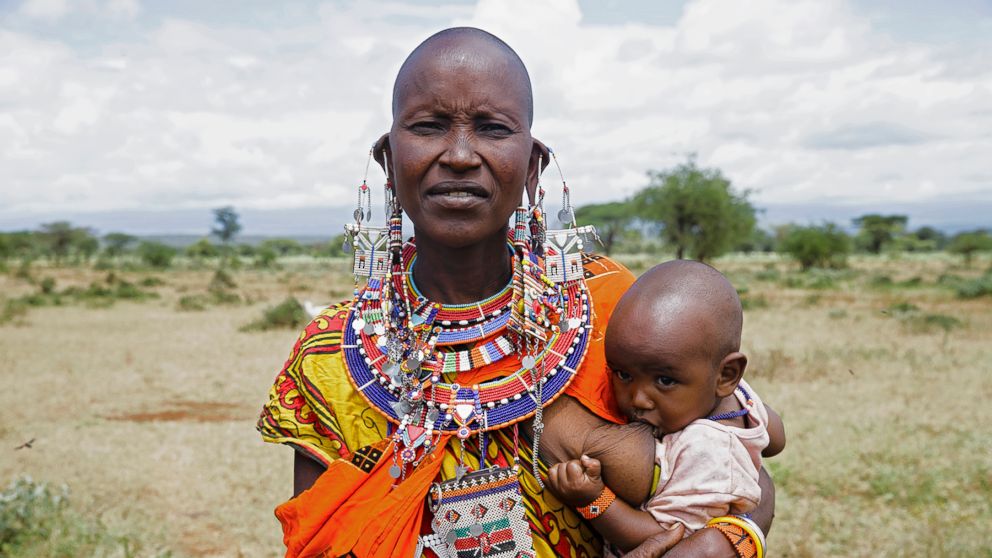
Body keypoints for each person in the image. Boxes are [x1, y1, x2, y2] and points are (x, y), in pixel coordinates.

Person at [257, 27, 774, 558]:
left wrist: (730, 543)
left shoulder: (611, 302)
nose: (459, 154)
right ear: (389, 163)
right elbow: (320, 539)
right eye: (429, 126)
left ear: (532, 167)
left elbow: (738, 456)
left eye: (492, 128)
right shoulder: (330, 356)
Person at [542, 261, 786, 557]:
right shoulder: (740, 395)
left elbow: (668, 540)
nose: (638, 399)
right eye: (622, 374)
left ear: (726, 375)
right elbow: (775, 437)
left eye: (665, 380)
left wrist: (593, 499)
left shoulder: (706, 453)